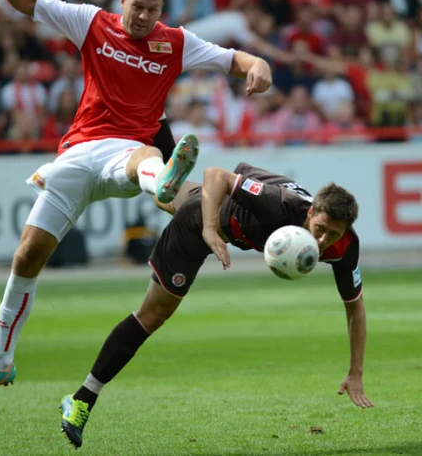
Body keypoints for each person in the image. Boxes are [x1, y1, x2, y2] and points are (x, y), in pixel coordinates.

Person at [0, 0, 273, 411]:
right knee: (26, 256)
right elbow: (30, 3)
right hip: (77, 154)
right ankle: (0, 362)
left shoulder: (176, 43)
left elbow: (233, 60)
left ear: (161, 10)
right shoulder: (92, 23)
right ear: (123, 1)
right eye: (137, 7)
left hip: (128, 152)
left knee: (145, 159)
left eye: (153, 9)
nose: (143, 16)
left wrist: (257, 63)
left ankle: (164, 178)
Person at [58, 163, 371, 448]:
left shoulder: (345, 247)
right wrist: (209, 230)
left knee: (167, 197)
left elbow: (355, 307)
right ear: (311, 211)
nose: (322, 241)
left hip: (220, 207)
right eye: (321, 228)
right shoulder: (279, 204)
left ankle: (160, 182)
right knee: (152, 315)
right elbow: (216, 175)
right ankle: (81, 399)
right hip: (200, 226)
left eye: (334, 234)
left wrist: (355, 372)